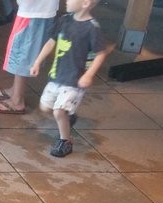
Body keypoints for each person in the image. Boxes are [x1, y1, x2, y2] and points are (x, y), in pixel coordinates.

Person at [30, 0, 109, 157]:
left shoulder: (92, 28)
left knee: (58, 112)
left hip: (74, 80)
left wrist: (89, 74)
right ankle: (68, 116)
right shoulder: (64, 20)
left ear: (85, 3)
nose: (66, 1)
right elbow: (51, 42)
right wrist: (37, 62)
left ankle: (65, 142)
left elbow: (101, 53)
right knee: (46, 107)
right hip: (57, 75)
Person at [0, 0, 59, 115]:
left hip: (34, 12)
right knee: (24, 53)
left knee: (23, 54)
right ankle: (15, 90)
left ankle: (17, 100)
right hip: (40, 11)